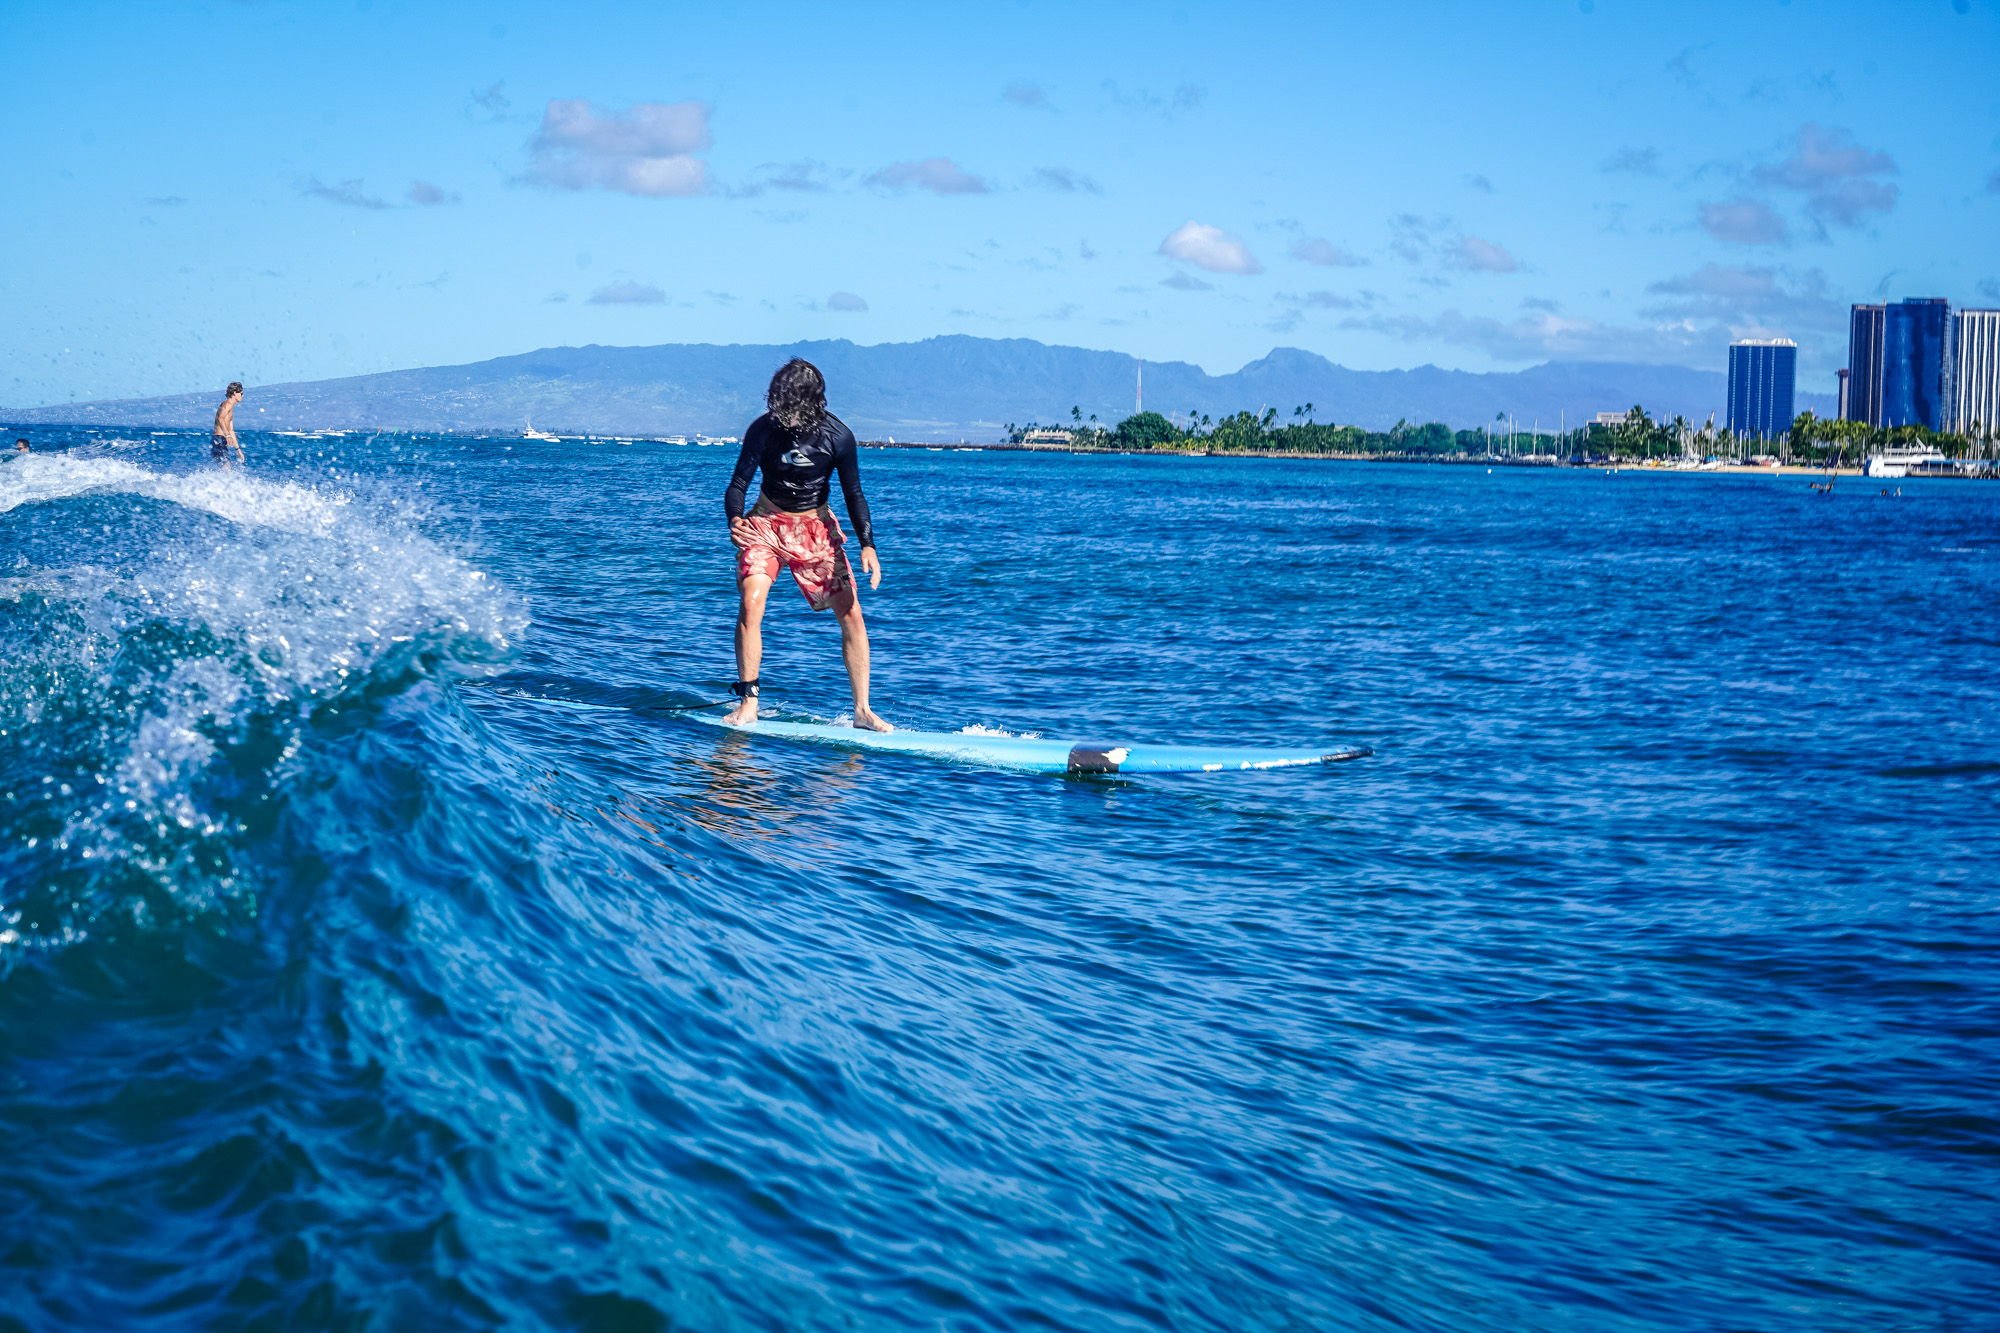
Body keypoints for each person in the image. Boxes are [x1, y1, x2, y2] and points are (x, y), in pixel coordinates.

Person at [721, 358, 889, 731]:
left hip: (815, 528)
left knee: (851, 614)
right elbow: (737, 485)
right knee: (751, 601)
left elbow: (854, 493)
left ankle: (862, 710)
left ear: (811, 402)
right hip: (765, 521)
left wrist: (867, 544)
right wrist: (735, 520)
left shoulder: (837, 436)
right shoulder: (763, 431)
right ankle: (748, 703)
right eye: (776, 401)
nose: (779, 410)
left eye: (788, 403)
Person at [211, 382, 245, 467]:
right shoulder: (227, 404)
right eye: (241, 393)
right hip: (218, 439)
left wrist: (238, 450)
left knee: (226, 468)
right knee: (226, 468)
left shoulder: (231, 407)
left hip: (221, 440)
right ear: (235, 393)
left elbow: (231, 430)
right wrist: (227, 436)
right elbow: (220, 419)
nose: (242, 396)